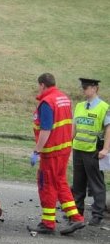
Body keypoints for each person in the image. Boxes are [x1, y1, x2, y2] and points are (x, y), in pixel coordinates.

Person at [30, 73, 85, 235]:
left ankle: (47, 223)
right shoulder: (64, 98)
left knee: (47, 184)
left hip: (52, 152)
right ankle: (76, 218)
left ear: (42, 85)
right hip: (64, 149)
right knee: (60, 182)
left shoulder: (47, 102)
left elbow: (46, 129)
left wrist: (36, 151)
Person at [71, 78, 110, 227]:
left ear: (95, 88)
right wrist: (69, 142)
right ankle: (77, 212)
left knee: (96, 183)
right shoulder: (80, 106)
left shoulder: (104, 107)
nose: (83, 90)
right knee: (78, 183)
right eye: (82, 87)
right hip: (78, 149)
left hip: (93, 151)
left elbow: (108, 129)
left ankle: (97, 214)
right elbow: (74, 126)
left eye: (86, 87)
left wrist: (106, 149)